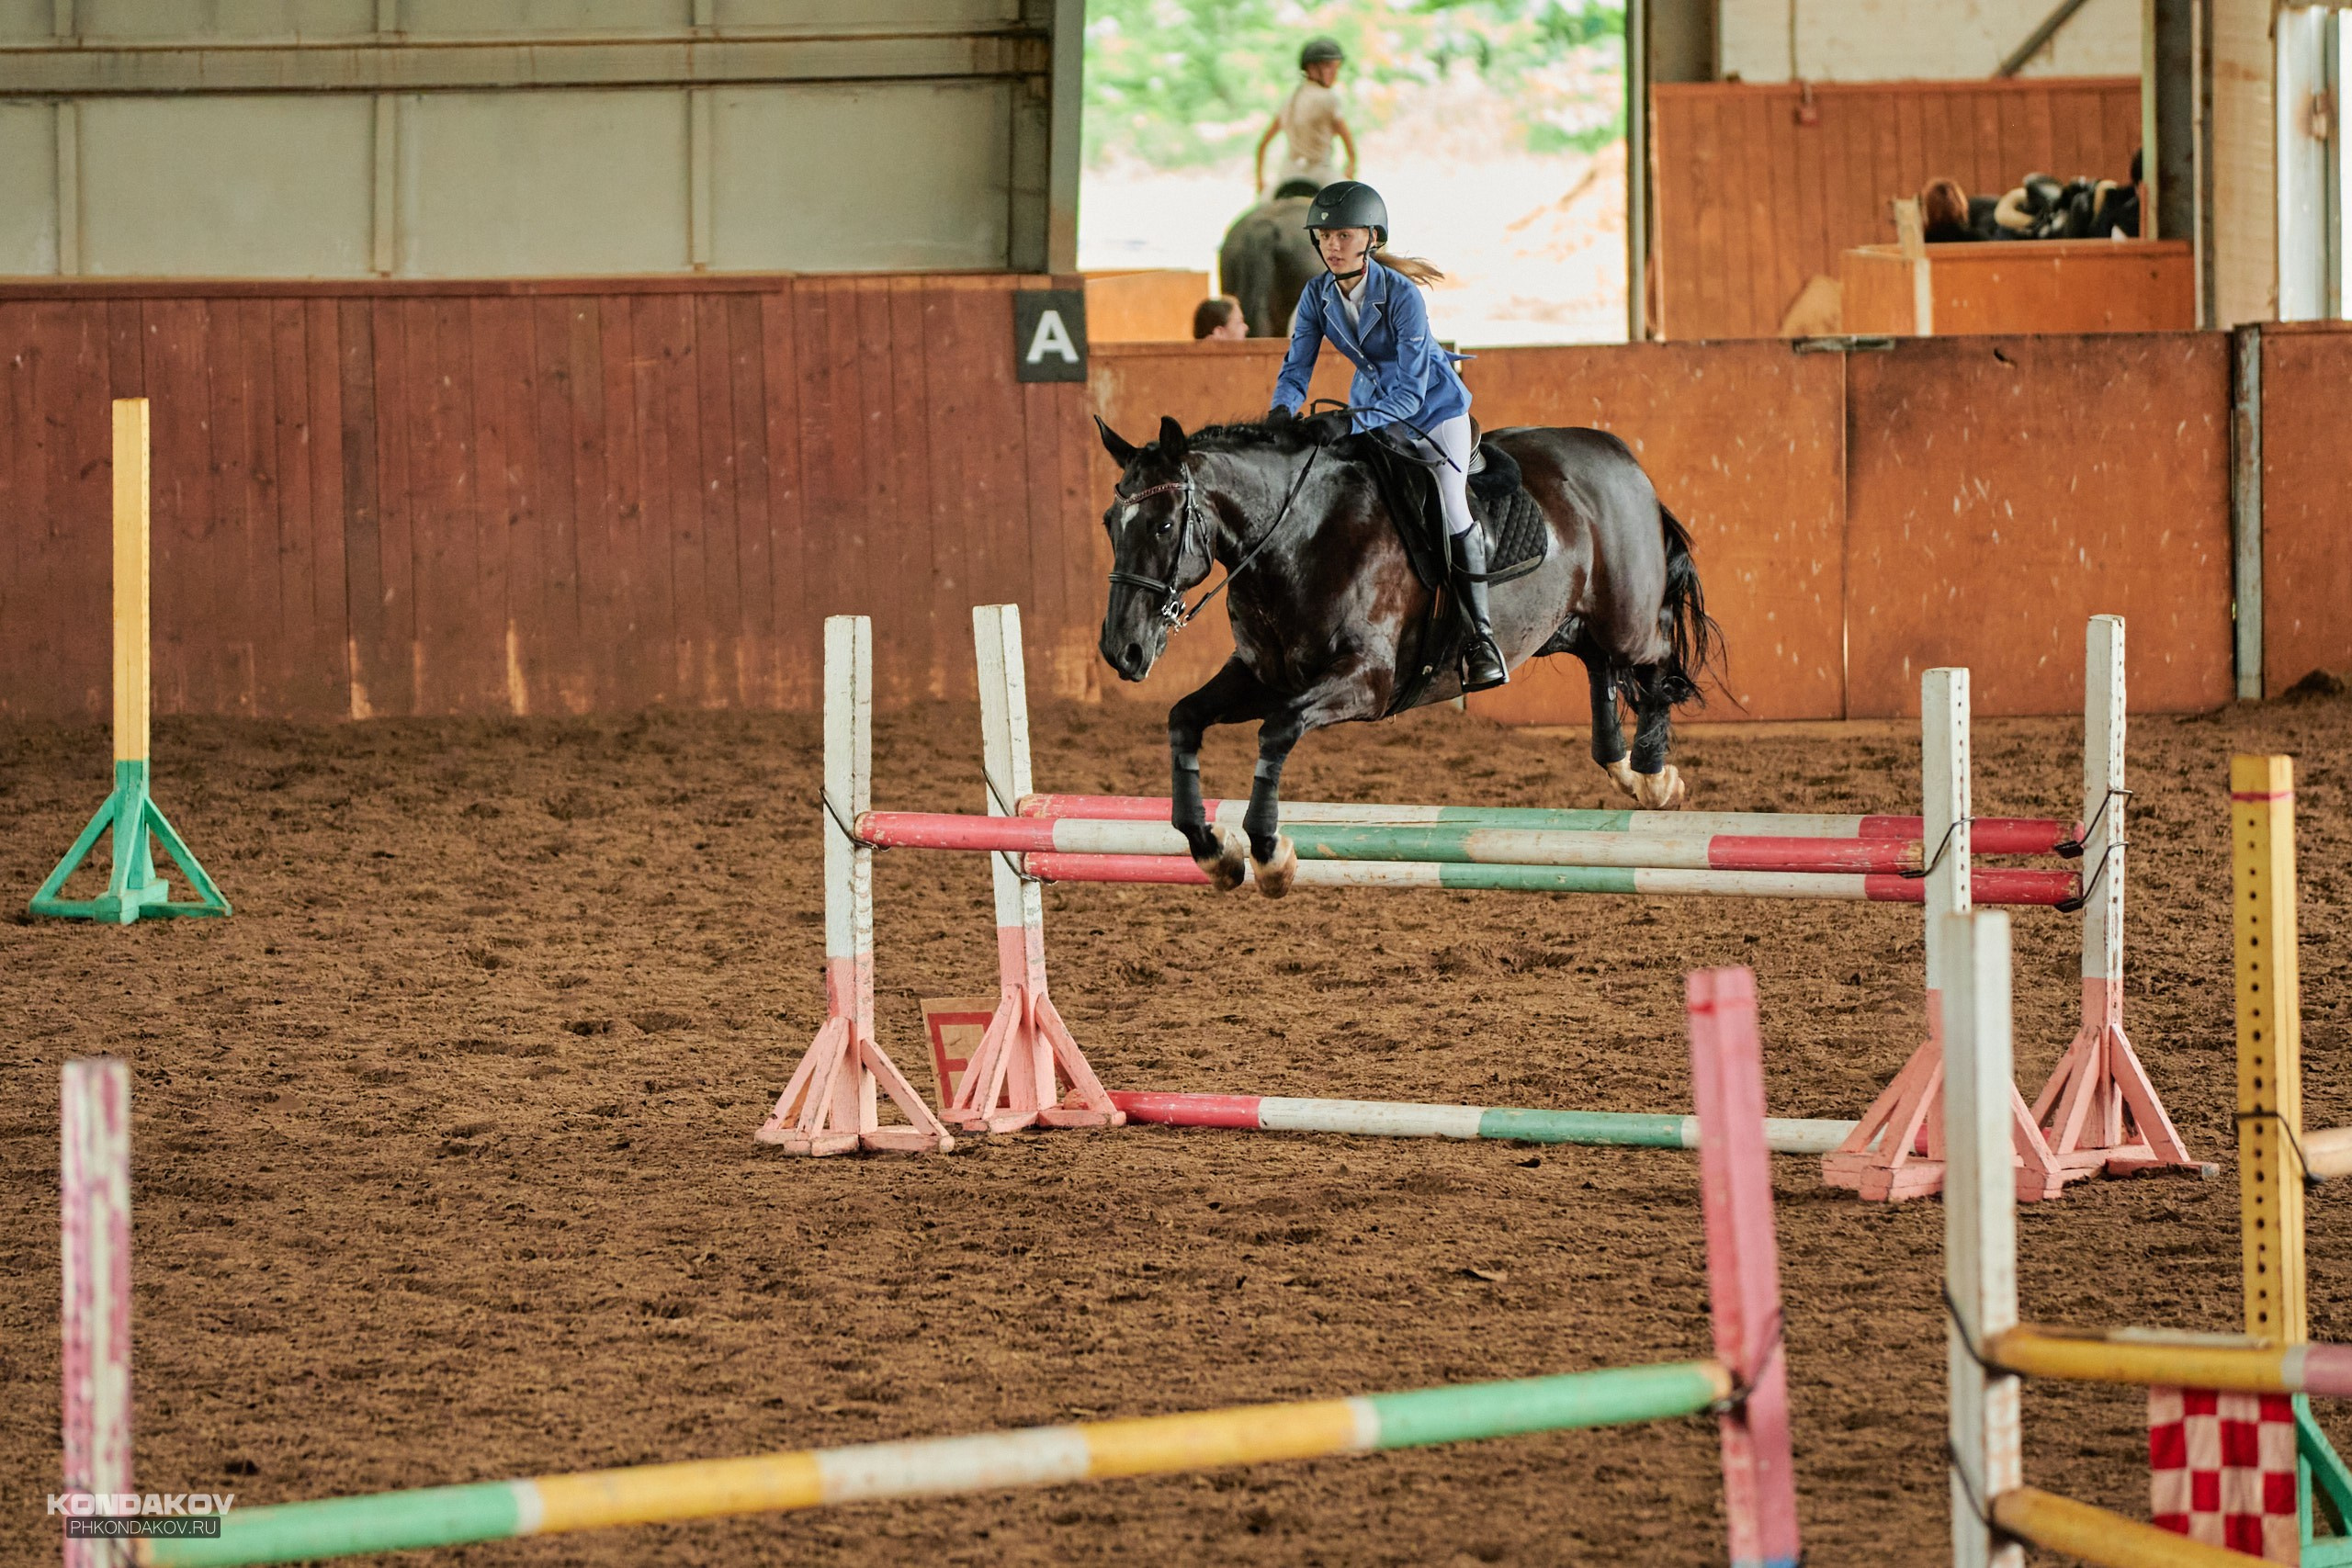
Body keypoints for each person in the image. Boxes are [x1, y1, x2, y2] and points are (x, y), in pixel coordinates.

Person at [1269, 180, 1508, 693]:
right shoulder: (1316, 295)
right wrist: (1281, 412)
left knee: (1451, 504)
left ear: (1371, 238)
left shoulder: (1402, 296)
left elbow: (1409, 393)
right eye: (1324, 236)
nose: (1332, 246)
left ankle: (1482, 639)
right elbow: (1297, 367)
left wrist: (1348, 422)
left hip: (1433, 412)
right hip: (1373, 411)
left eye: (1344, 235)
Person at [1254, 37, 1357, 197]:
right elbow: (1347, 139)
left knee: (1263, 205)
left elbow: (1263, 144)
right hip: (1321, 172)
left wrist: (1260, 181)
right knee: (1351, 201)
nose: (1335, 73)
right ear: (1312, 68)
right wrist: (1351, 165)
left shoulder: (1289, 99)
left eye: (1336, 68)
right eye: (1330, 67)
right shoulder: (1329, 98)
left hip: (1289, 173)